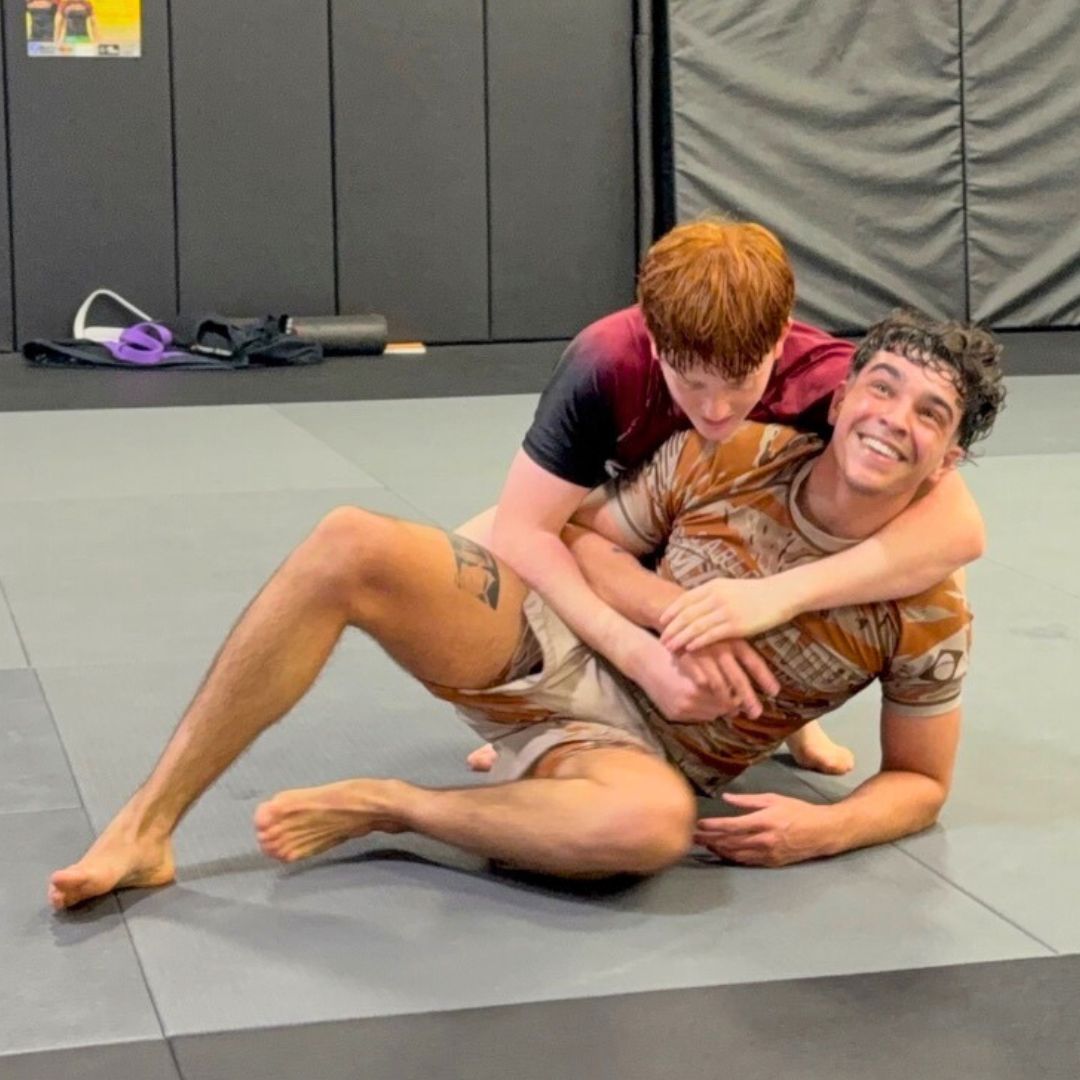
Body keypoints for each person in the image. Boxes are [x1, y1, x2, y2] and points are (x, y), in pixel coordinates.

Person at [47, 309, 1004, 909]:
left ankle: (400, 808)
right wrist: (668, 622)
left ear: (950, 458)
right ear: (836, 401)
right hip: (558, 645)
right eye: (882, 387)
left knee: (651, 834)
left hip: (629, 759)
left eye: (931, 414)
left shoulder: (930, 612)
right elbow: (572, 537)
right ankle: (145, 826)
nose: (895, 419)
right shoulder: (731, 450)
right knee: (352, 538)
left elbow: (921, 781)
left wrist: (822, 829)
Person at [474, 219, 986, 775]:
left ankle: (794, 720)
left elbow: (960, 529)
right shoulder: (604, 361)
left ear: (781, 337)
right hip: (632, 517)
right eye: (691, 383)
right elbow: (523, 530)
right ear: (653, 340)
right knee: (478, 544)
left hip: (741, 532)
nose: (716, 410)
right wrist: (640, 652)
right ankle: (539, 719)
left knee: (926, 566)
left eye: (741, 381)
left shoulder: (825, 379)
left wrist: (780, 596)